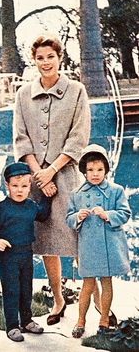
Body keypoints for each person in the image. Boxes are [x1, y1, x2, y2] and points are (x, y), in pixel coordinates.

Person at [13, 34, 91, 325]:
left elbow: (78, 138)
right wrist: (39, 175)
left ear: (60, 58)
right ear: (34, 61)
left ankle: (94, 303)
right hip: (35, 180)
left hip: (67, 177)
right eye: (40, 58)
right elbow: (21, 140)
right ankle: (58, 300)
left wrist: (52, 171)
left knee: (80, 237)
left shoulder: (76, 91)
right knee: (46, 242)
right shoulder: (23, 94)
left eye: (51, 57)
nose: (46, 62)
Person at [66, 144, 131, 337]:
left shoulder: (116, 191)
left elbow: (125, 213)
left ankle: (104, 320)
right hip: (88, 246)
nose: (95, 174)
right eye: (91, 170)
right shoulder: (76, 194)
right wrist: (78, 216)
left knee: (107, 282)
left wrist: (107, 214)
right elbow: (68, 218)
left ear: (106, 170)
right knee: (87, 284)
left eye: (100, 170)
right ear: (84, 172)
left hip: (110, 245)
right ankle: (80, 321)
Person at [0, 162, 51, 342]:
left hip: (26, 254)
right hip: (9, 256)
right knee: (11, 290)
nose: (19, 190)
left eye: (24, 186)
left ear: (30, 186)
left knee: (26, 289)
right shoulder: (1, 208)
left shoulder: (30, 206)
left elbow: (43, 215)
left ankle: (26, 321)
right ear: (7, 186)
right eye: (15, 186)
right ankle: (12, 326)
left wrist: (48, 196)